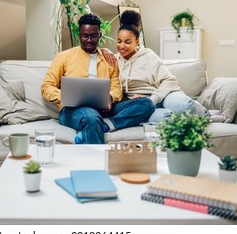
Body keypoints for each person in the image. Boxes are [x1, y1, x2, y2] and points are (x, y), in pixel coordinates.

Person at [41, 13, 154, 144]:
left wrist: (109, 98)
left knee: (146, 103)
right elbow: (46, 87)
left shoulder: (109, 60)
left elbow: (117, 89)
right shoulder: (64, 57)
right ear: (79, 35)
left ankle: (107, 125)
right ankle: (97, 162)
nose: (89, 40)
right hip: (72, 110)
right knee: (91, 117)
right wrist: (66, 96)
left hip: (104, 109)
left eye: (93, 36)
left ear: (99, 35)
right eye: (85, 36)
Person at [102, 10, 209, 122]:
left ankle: (207, 115)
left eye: (127, 42)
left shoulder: (148, 56)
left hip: (165, 94)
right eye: (119, 41)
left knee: (185, 106)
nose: (122, 46)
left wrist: (153, 99)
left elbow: (170, 81)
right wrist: (103, 50)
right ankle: (190, 118)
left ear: (137, 42)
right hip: (142, 104)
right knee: (167, 118)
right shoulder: (114, 60)